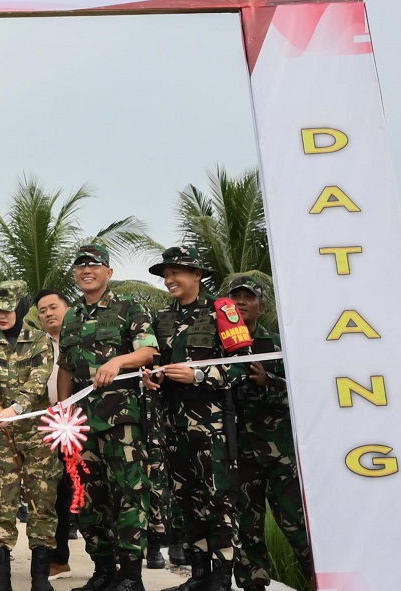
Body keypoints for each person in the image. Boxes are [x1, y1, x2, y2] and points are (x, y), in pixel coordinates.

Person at [143, 246, 253, 591]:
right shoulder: (161, 318)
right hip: (172, 424)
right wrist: (154, 378)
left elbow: (242, 367)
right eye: (165, 274)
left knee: (218, 500)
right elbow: (157, 363)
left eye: (176, 272)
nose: (169, 279)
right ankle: (199, 575)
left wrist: (200, 377)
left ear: (196, 276)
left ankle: (221, 579)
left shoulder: (222, 311)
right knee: (186, 499)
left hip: (212, 424)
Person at [56, 244, 158, 591]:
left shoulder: (129, 307)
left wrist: (118, 362)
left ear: (108, 272)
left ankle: (130, 576)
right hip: (82, 424)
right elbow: (65, 368)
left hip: (121, 419)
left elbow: (149, 350)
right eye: (80, 265)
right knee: (88, 497)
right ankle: (103, 570)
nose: (87, 270)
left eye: (94, 265)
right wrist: (64, 411)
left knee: (130, 493)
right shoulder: (71, 317)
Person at [0, 280, 59, 591]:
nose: (1, 316)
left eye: (7, 310)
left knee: (42, 502)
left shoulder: (39, 341)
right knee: (1, 502)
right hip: (1, 438)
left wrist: (17, 407)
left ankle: (40, 578)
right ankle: (2, 578)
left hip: (37, 437)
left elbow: (38, 380)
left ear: (19, 308)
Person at [223, 276, 312, 590]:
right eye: (236, 298)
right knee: (246, 529)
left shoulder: (277, 345)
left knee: (299, 525)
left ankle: (322, 581)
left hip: (279, 454)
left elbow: (305, 392)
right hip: (239, 454)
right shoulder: (217, 345)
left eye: (249, 297)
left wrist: (268, 383)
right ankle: (253, 585)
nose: (242, 303)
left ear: (262, 305)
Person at [34, 288, 75, 580]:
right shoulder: (37, 346)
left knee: (95, 492)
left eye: (53, 307)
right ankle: (58, 559)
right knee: (55, 494)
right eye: (42, 311)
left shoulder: (84, 337)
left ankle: (112, 564)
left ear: (68, 308)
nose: (48, 314)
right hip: (50, 426)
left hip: (89, 423)